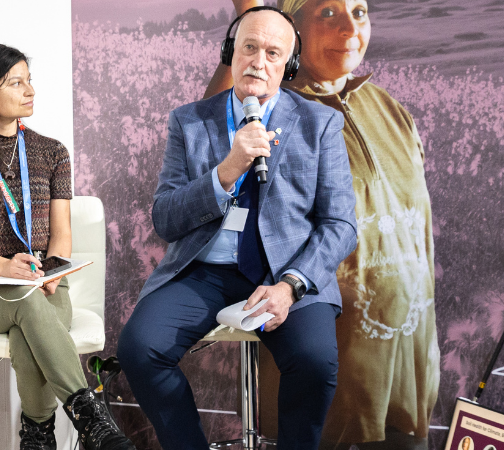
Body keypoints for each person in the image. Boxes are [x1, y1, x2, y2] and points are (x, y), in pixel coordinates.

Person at [117, 7, 358, 450]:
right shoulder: (189, 122)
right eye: (249, 47)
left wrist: (290, 286)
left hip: (284, 273)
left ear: (290, 66)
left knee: (315, 361)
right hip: (204, 271)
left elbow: (340, 224)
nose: (258, 62)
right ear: (231, 52)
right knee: (139, 348)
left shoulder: (320, 124)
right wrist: (226, 171)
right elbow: (166, 219)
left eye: (272, 53)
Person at [205, 1, 439, 449]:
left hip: (406, 366)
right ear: (293, 31)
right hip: (331, 361)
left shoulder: (386, 106)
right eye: (329, 13)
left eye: (360, 11)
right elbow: (208, 148)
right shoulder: (270, 112)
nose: (351, 28)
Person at [0, 44, 136, 450]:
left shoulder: (52, 152)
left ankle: (38, 435)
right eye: (17, 82)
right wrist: (6, 268)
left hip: (43, 286)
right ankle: (90, 416)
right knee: (26, 308)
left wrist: (53, 271)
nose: (31, 91)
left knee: (29, 319)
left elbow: (60, 233)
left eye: (30, 80)